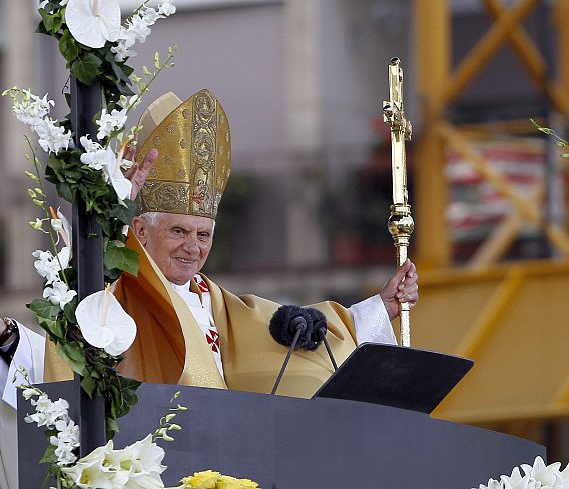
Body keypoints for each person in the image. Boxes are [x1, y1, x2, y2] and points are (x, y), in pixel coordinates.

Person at [0, 89, 418, 489]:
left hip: (227, 462)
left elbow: (287, 334)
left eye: (203, 234)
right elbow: (71, 340)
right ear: (140, 233)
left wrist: (379, 309)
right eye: (179, 231)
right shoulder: (118, 290)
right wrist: (9, 338)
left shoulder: (214, 301)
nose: (193, 246)